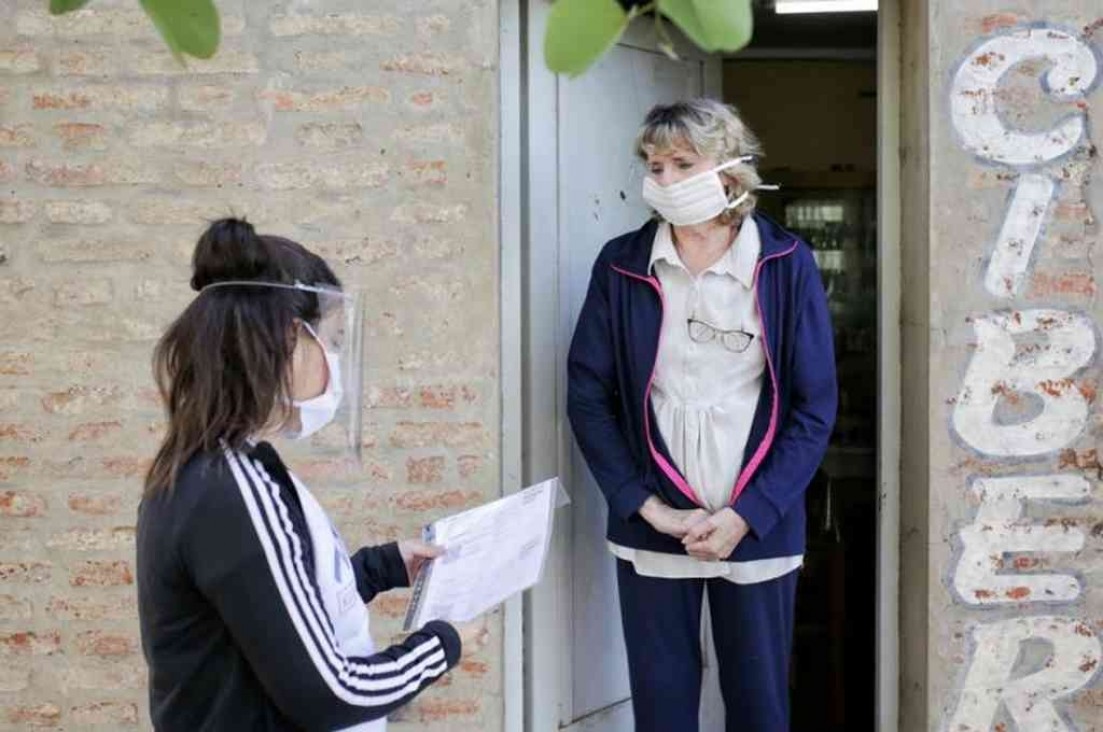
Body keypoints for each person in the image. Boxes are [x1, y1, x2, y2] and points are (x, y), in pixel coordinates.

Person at [136, 218, 486, 731]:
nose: (336, 359)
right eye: (332, 340)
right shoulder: (234, 491)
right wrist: (442, 644)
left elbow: (272, 606)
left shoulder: (219, 469)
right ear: (288, 338)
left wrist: (381, 568)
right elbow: (331, 692)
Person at [567, 98, 837, 731]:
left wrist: (749, 514)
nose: (663, 180)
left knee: (759, 708)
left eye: (682, 164)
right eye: (655, 166)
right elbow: (588, 395)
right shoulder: (621, 263)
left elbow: (813, 408)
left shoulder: (785, 263)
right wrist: (644, 505)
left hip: (758, 526)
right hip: (655, 526)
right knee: (661, 709)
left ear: (732, 172)